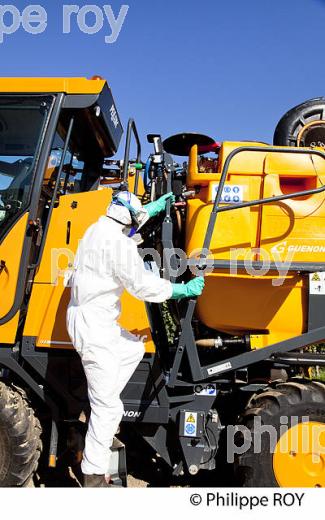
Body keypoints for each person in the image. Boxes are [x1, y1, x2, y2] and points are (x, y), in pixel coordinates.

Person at [66, 190, 205, 487]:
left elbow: (125, 229)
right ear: (127, 217)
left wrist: (151, 209)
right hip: (95, 327)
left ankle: (102, 402)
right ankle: (93, 475)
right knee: (109, 408)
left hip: (89, 319)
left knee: (132, 347)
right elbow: (142, 286)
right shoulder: (118, 244)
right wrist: (181, 290)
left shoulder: (96, 228)